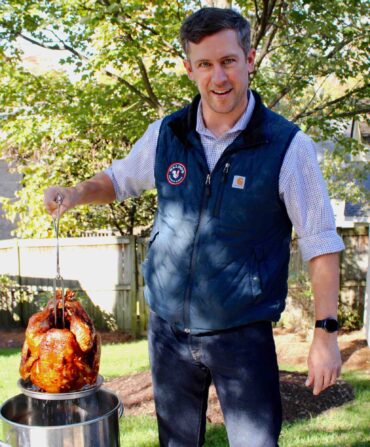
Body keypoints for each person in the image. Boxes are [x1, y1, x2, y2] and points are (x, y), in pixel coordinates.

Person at [44, 7, 344, 447]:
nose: (218, 77)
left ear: (250, 59)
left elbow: (321, 242)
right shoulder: (167, 134)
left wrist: (326, 334)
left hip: (242, 334)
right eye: (205, 64)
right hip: (168, 334)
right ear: (189, 69)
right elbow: (117, 179)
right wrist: (75, 193)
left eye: (228, 61)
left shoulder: (287, 146)